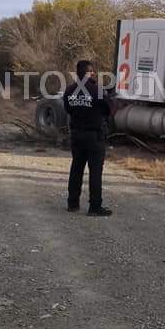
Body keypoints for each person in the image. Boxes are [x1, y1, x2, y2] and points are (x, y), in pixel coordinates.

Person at [63, 60, 113, 216]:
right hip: (94, 136)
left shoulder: (70, 90)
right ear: (89, 73)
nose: (94, 74)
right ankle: (94, 207)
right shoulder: (97, 90)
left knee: (76, 169)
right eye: (93, 72)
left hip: (77, 134)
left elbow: (68, 109)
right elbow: (109, 109)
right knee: (95, 172)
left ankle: (72, 203)